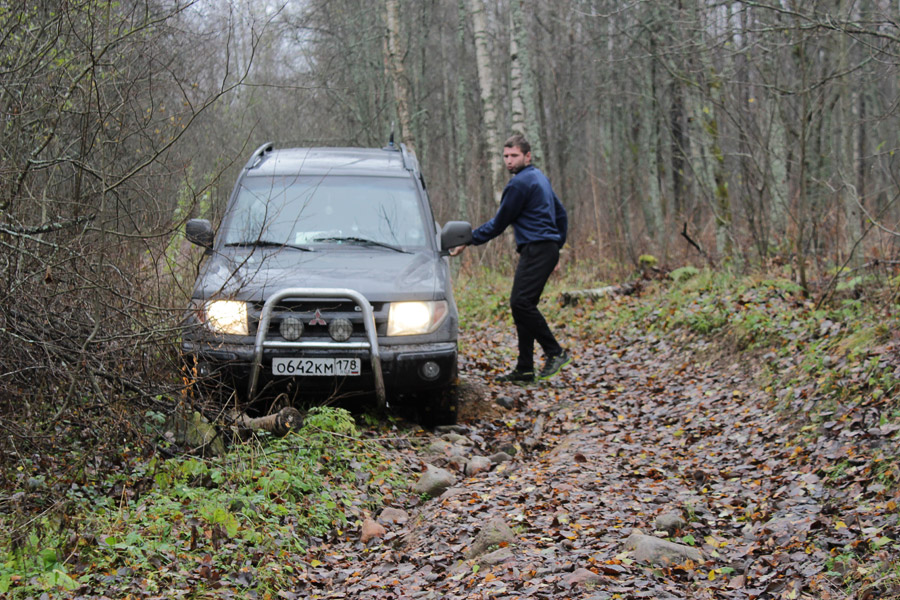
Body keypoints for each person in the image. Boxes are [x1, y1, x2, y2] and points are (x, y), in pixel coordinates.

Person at [451, 134, 570, 382]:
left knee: (520, 304)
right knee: (524, 307)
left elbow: (499, 223)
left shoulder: (519, 184)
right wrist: (556, 247)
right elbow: (561, 215)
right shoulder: (539, 178)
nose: (509, 161)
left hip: (537, 249)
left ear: (527, 156)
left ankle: (555, 352)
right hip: (543, 249)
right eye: (505, 156)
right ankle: (525, 369)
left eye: (514, 155)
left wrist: (468, 240)